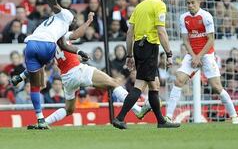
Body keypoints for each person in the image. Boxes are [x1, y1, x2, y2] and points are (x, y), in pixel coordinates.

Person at [13, 12, 150, 128]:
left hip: (66, 78)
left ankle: (43, 122)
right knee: (114, 83)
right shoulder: (60, 35)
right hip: (77, 71)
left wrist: (21, 76)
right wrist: (89, 21)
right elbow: (77, 34)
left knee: (69, 109)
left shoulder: (46, 42)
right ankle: (137, 110)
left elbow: (39, 66)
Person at [17, 0, 90, 129]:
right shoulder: (67, 15)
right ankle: (30, 77)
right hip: (47, 45)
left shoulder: (53, 25)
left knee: (34, 86)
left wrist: (80, 51)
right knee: (41, 74)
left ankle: (40, 118)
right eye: (75, 20)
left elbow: (63, 43)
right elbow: (55, 6)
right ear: (73, 18)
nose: (74, 21)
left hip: (31, 44)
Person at [112, 0, 180, 129]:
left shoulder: (139, 6)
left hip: (138, 46)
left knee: (154, 84)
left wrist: (129, 55)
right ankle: (120, 117)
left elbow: (130, 32)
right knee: (140, 84)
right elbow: (161, 31)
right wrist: (169, 53)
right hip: (150, 46)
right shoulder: (160, 5)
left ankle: (161, 121)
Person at [165, 0, 238, 124]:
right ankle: (168, 117)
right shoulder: (183, 18)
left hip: (207, 54)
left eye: (193, 3)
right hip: (192, 55)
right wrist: (194, 56)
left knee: (217, 87)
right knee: (179, 81)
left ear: (199, 2)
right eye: (188, 3)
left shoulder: (206, 16)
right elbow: (186, 40)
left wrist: (199, 57)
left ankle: (234, 116)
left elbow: (211, 40)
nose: (190, 5)